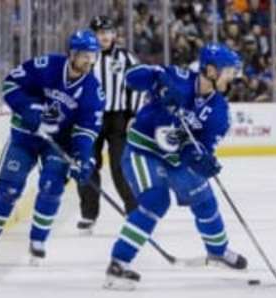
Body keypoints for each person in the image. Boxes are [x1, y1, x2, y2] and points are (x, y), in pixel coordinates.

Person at [104, 43, 248, 290]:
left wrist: (201, 159)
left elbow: (200, 147)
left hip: (177, 158)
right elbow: (132, 77)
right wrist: (160, 87)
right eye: (228, 71)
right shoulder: (175, 77)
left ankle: (217, 251)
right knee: (155, 201)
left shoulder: (220, 111)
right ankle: (118, 263)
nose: (232, 77)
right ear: (211, 71)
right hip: (144, 150)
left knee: (204, 200)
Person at [0, 29, 105, 260]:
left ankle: (38, 240)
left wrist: (83, 157)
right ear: (72, 54)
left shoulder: (93, 89)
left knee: (51, 186)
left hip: (58, 143)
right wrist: (29, 109)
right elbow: (10, 85)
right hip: (25, 136)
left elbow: (87, 128)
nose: (89, 60)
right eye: (85, 55)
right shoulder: (46, 66)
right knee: (9, 189)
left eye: (93, 56)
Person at [76, 16, 143, 234]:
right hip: (89, 118)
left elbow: (140, 85)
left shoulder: (126, 57)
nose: (105, 36)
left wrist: (134, 114)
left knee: (120, 166)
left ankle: (134, 210)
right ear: (93, 34)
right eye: (100, 32)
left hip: (119, 120)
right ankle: (88, 214)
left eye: (109, 31)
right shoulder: (83, 57)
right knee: (87, 165)